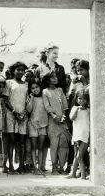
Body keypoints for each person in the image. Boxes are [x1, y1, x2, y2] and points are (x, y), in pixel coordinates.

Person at [36, 43, 67, 172]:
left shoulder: (60, 68)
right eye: (54, 53)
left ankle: (60, 166)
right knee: (44, 137)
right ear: (47, 53)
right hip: (44, 104)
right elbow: (37, 87)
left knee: (61, 140)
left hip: (58, 105)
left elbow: (63, 87)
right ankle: (42, 165)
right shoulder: (40, 68)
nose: (56, 56)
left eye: (57, 53)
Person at [42, 71, 71, 175]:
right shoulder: (45, 91)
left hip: (62, 121)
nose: (55, 78)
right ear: (48, 80)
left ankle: (61, 166)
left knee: (63, 144)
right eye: (52, 77)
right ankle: (54, 167)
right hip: (52, 121)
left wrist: (63, 116)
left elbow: (65, 104)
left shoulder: (60, 90)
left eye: (56, 77)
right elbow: (47, 106)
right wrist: (54, 116)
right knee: (54, 145)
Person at [4, 61, 28, 174]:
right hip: (11, 114)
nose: (20, 72)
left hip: (23, 115)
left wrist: (24, 113)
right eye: (18, 69)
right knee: (12, 141)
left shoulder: (27, 84)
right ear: (13, 71)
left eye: (22, 70)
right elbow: (6, 100)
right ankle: (11, 166)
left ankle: (22, 166)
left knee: (22, 141)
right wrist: (14, 112)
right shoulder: (8, 83)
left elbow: (29, 100)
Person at [67, 89, 90, 180]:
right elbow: (72, 118)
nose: (82, 101)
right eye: (80, 98)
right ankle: (73, 173)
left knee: (79, 156)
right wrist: (77, 109)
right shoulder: (74, 108)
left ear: (87, 100)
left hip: (84, 134)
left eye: (84, 99)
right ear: (76, 99)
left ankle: (83, 175)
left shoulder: (88, 110)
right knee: (76, 154)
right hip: (76, 134)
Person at [26, 81, 48, 175]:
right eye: (33, 88)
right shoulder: (30, 98)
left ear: (40, 87)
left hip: (43, 124)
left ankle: (40, 167)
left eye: (37, 87)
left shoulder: (44, 97)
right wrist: (31, 99)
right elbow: (29, 110)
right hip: (32, 124)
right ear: (30, 90)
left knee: (41, 147)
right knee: (34, 147)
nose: (35, 89)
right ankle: (35, 167)